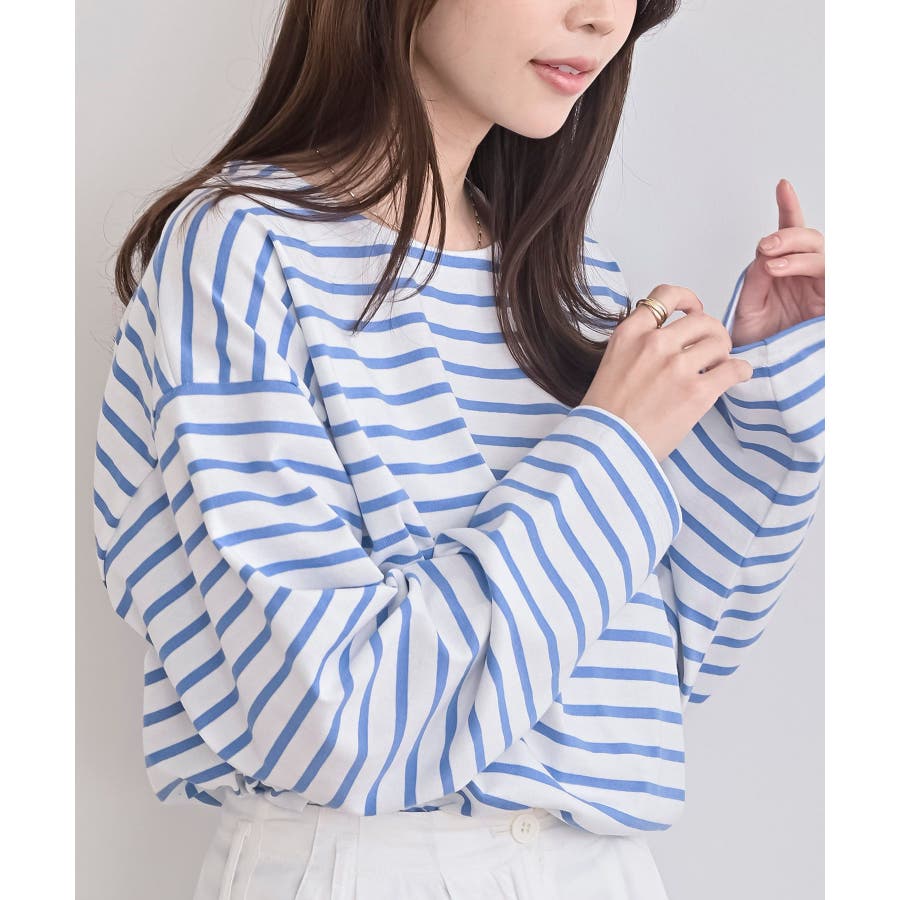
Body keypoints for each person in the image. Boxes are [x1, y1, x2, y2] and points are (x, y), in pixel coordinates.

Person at [91, 0, 825, 897]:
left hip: (603, 869)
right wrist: (617, 445)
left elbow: (650, 675)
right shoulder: (240, 250)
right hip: (370, 864)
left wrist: (759, 398)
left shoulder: (569, 280)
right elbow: (334, 718)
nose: (603, 19)